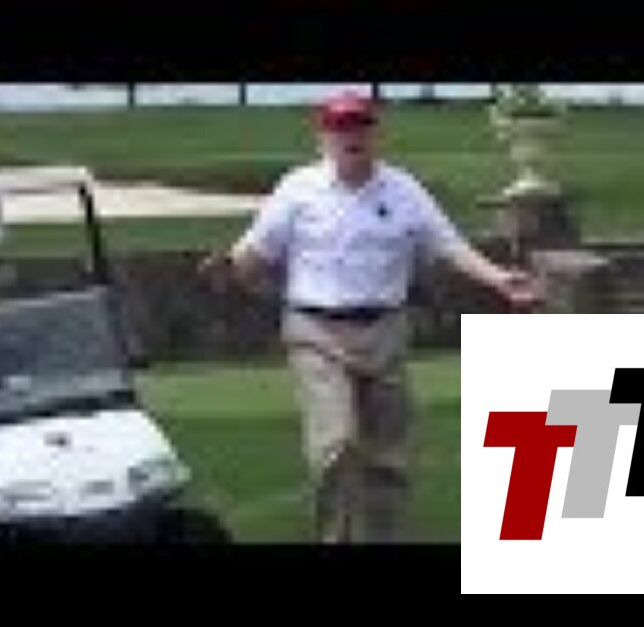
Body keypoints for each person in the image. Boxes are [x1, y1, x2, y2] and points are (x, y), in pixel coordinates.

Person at [200, 90, 541, 543]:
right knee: (336, 446)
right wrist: (230, 268)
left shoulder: (403, 190)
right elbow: (256, 252)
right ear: (323, 138)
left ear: (375, 134)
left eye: (359, 125)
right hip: (316, 332)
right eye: (340, 127)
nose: (351, 136)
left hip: (385, 331)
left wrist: (499, 278)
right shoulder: (298, 189)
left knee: (387, 459)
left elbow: (447, 244)